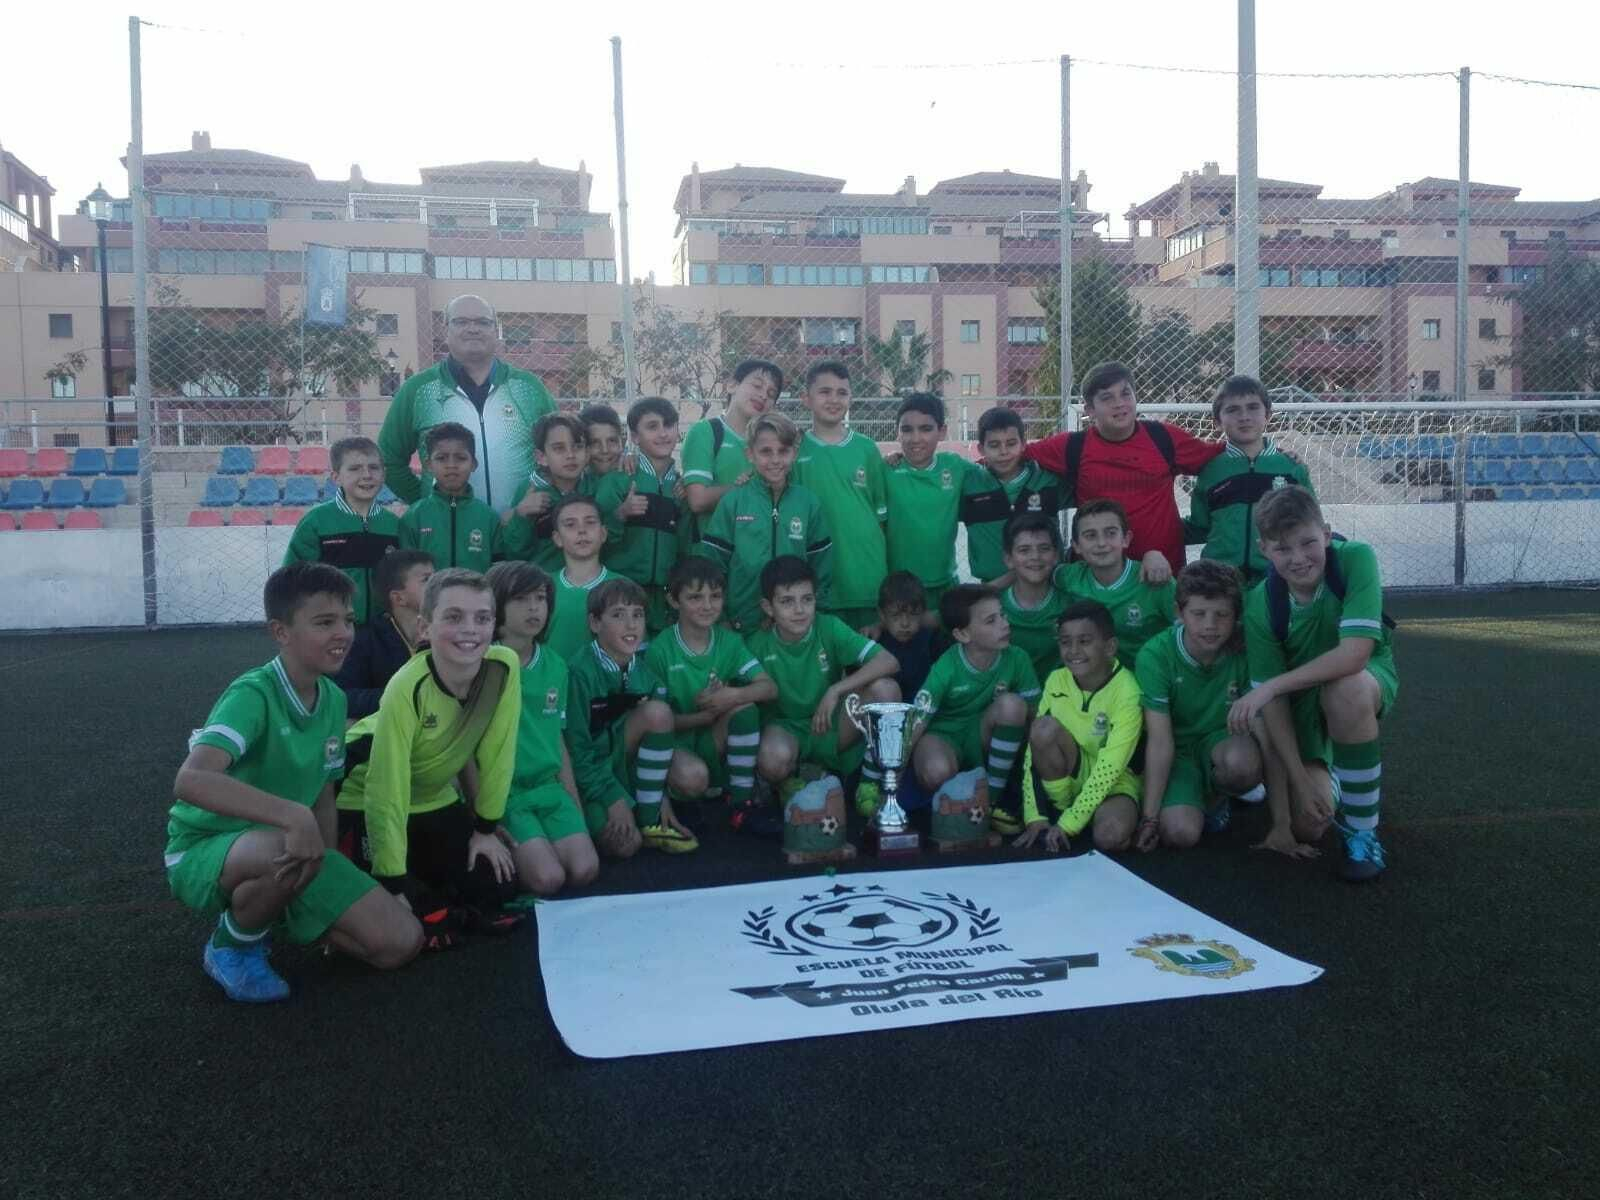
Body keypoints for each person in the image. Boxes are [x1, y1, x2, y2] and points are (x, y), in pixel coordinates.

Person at [165, 562, 422, 1002]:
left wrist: (321, 877)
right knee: (286, 846)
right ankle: (231, 945)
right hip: (207, 847)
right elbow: (192, 779)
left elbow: (323, 792)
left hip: (289, 844)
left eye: (347, 620)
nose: (342, 633)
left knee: (402, 942)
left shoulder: (334, 697)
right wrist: (290, 816)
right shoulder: (253, 694)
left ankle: (276, 904)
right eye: (324, 622)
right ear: (281, 632)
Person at [336, 569, 523, 946]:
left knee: (498, 887)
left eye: (482, 618)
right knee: (407, 909)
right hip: (360, 796)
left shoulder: (503, 667)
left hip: (431, 798)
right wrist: (392, 881)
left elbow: (498, 751)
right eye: (453, 617)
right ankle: (410, 887)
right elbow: (385, 787)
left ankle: (432, 888)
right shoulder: (407, 685)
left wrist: (484, 829)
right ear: (425, 627)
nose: (470, 629)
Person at [1229, 485, 1397, 881]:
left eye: (1307, 543)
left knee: (1346, 688)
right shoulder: (1261, 602)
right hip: (1298, 704)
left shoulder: (1356, 558)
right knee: (1310, 824)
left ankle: (1362, 833)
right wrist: (1300, 783)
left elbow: (1354, 655)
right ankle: (1335, 775)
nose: (1299, 558)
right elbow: (1274, 708)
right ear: (1264, 549)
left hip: (1361, 679)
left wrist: (1273, 685)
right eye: (1282, 549)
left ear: (1326, 532)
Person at [1021, 360, 1223, 579]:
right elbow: (1010, 455)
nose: (1119, 403)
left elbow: (1217, 459)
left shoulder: (1164, 438)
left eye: (1126, 394)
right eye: (1107, 398)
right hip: (1098, 580)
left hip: (1161, 576)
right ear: (1089, 409)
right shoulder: (1072, 447)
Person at [747, 556, 900, 823]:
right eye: (787, 601)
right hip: (786, 729)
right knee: (773, 760)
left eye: (807, 599)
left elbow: (888, 661)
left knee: (886, 690)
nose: (799, 610)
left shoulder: (828, 627)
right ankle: (790, 778)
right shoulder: (756, 644)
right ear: (767, 607)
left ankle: (870, 783)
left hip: (828, 724)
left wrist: (836, 690)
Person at [378, 294, 556, 513]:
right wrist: (428, 502)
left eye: (483, 322)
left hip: (522, 534)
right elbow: (389, 460)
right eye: (461, 322)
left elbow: (557, 451)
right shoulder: (418, 390)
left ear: (495, 330)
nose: (473, 329)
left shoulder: (529, 388)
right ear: (445, 330)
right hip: (449, 535)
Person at [485, 561, 599, 897]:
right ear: (497, 605)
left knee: (585, 870)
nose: (535, 608)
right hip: (505, 794)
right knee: (548, 879)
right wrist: (480, 819)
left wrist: (574, 805)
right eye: (521, 599)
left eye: (540, 598)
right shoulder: (483, 664)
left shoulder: (555, 665)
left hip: (548, 789)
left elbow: (558, 739)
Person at [1133, 560, 1263, 852]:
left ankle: (1220, 795)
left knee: (1242, 764)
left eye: (1222, 615)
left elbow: (1265, 724)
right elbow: (1160, 740)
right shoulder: (1155, 655)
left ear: (1236, 617)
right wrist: (1149, 819)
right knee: (1180, 834)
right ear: (1179, 613)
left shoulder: (1245, 649)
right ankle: (1192, 796)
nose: (1210, 625)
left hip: (1222, 743)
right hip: (1178, 751)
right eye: (1198, 614)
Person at [565, 577, 700, 855]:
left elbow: (656, 740)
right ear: (594, 623)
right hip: (593, 777)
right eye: (618, 615)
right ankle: (628, 812)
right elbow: (576, 753)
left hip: (627, 769)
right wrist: (614, 798)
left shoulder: (645, 672)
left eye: (637, 615)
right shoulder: (579, 673)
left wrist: (658, 795)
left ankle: (650, 820)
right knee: (625, 846)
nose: (631, 625)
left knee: (661, 717)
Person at [644, 557, 776, 830]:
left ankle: (741, 805)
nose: (707, 606)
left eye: (715, 596)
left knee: (746, 706)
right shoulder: (660, 649)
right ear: (673, 600)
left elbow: (769, 688)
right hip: (675, 742)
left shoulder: (729, 642)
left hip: (711, 736)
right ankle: (674, 796)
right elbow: (654, 724)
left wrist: (730, 696)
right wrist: (707, 714)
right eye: (695, 597)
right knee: (694, 779)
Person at [910, 585, 1040, 834]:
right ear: (962, 635)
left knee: (1013, 705)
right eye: (991, 621)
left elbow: (1035, 718)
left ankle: (990, 800)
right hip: (943, 735)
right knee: (936, 771)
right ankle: (952, 808)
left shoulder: (1018, 659)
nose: (1004, 624)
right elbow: (917, 723)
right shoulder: (945, 667)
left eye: (1002, 615)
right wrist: (891, 779)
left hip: (982, 734)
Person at [1017, 601, 1144, 854]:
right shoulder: (1056, 679)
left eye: (1085, 641)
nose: (1073, 651)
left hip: (1115, 783)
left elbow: (1111, 765)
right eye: (1065, 642)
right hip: (1070, 778)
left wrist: (1069, 825)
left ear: (1110, 647)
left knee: (1110, 837)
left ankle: (1087, 818)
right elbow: (1032, 752)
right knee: (1042, 729)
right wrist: (1034, 816)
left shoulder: (1128, 691)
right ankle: (1061, 809)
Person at [697, 412, 832, 635]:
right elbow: (713, 565)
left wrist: (818, 613)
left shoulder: (808, 503)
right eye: (766, 452)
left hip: (795, 625)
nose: (775, 460)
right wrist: (720, 619)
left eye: (783, 451)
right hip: (742, 623)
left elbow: (822, 567)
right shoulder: (734, 502)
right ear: (750, 454)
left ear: (794, 453)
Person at [1188, 374, 1316, 584]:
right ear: (1217, 421)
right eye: (1232, 409)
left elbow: (1310, 524)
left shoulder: (1291, 469)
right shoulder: (1211, 470)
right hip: (1219, 582)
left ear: (1268, 415)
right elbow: (1200, 526)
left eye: (1253, 407)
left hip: (1276, 580)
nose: (1244, 416)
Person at [794, 359, 889, 632]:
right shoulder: (794, 451)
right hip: (819, 580)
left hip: (867, 578)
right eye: (824, 392)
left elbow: (882, 517)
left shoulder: (866, 448)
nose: (833, 399)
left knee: (869, 663)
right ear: (806, 399)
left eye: (842, 392)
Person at [282, 435, 400, 627]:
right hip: (334, 631)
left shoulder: (394, 525)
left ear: (383, 474)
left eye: (374, 467)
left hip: (385, 630)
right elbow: (293, 579)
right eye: (355, 469)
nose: (367, 475)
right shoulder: (316, 522)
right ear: (336, 477)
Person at [594, 397, 683, 635]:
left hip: (666, 601)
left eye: (669, 425)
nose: (663, 433)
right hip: (621, 595)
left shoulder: (682, 487)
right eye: (652, 426)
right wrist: (621, 513)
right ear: (634, 436)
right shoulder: (618, 479)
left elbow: (684, 544)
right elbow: (595, 539)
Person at [1055, 500, 1177, 669]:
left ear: (1126, 539)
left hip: (1150, 679)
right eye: (1090, 535)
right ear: (1076, 546)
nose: (1101, 543)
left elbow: (1188, 630)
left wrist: (1153, 553)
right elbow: (1040, 571)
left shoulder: (1155, 579)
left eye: (1110, 533)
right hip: (1096, 680)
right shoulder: (1070, 577)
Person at [884, 393, 969, 614]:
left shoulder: (956, 467)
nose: (915, 438)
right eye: (907, 429)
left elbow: (993, 472)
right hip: (898, 588)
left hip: (944, 584)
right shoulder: (885, 471)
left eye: (925, 429)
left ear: (942, 431)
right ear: (897, 432)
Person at [680, 359, 782, 540]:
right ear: (732, 386)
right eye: (757, 386)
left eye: (771, 393)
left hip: (759, 550)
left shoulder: (774, 443)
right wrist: (745, 489)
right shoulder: (706, 432)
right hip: (714, 553)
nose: (763, 395)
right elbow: (698, 500)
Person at [960, 407, 1063, 584]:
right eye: (994, 445)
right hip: (991, 589)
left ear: (1023, 444)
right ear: (981, 448)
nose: (1003, 451)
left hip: (1047, 585)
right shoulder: (969, 484)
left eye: (1011, 443)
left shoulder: (1048, 479)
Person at [334, 549, 433, 720]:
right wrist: (405, 694)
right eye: (427, 580)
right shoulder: (365, 641)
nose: (439, 585)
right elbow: (342, 697)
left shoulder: (445, 634)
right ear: (398, 598)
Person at [397, 422, 501, 572]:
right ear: (428, 465)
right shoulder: (414, 517)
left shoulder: (489, 518)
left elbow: (497, 574)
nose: (451, 465)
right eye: (441, 458)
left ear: (473, 464)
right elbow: (406, 574)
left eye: (460, 458)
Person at [500, 413, 594, 573]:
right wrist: (520, 517)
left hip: (588, 582)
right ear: (542, 457)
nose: (570, 455)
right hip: (543, 585)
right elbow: (515, 553)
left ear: (587, 452)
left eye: (577, 446)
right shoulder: (530, 491)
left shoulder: (595, 486)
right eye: (559, 448)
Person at [997, 513, 1072, 684]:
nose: (1035, 557)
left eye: (1044, 548)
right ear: (1009, 559)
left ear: (1056, 556)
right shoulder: (994, 608)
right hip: (1010, 698)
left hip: (1060, 699)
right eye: (1024, 550)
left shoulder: (1069, 604)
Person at [544, 494, 618, 662]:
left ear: (603, 533)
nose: (581, 530)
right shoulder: (542, 588)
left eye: (590, 522)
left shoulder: (624, 587)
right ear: (557, 538)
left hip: (604, 687)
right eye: (570, 524)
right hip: (553, 685)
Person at [874, 570, 945, 703]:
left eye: (913, 614)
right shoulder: (875, 643)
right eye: (895, 616)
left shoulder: (931, 639)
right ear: (882, 615)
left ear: (923, 613)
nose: (905, 623)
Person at [578, 404, 626, 479]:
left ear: (622, 442)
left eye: (612, 441)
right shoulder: (574, 484)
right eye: (594, 442)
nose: (605, 450)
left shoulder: (636, 479)